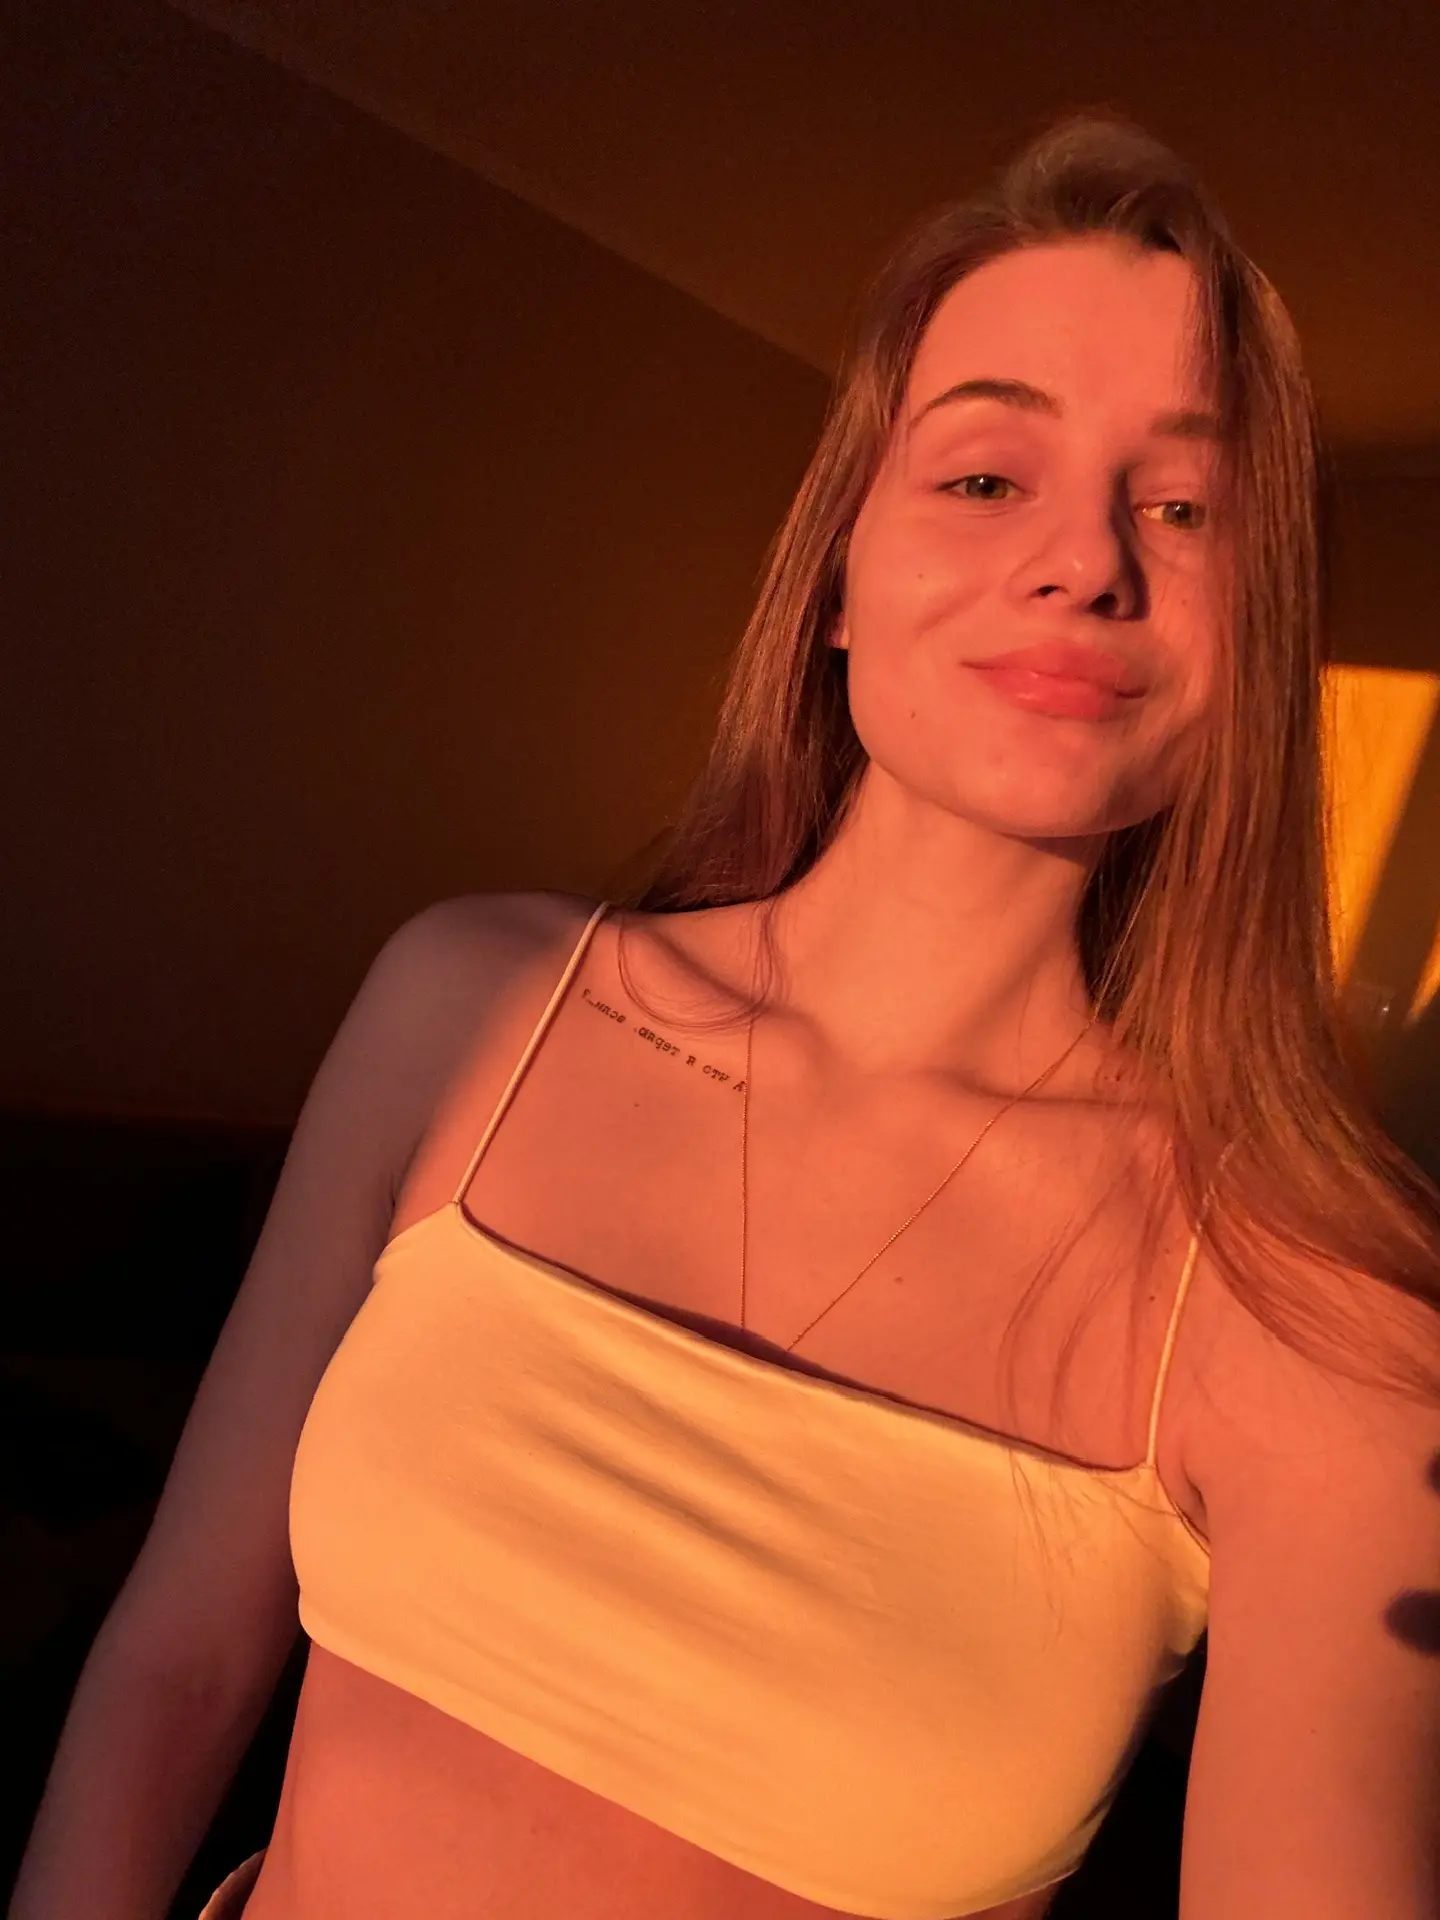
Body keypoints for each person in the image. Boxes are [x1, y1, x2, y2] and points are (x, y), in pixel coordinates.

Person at [12, 113, 1440, 1920]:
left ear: (1257, 639)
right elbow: (178, 1665)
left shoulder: (1313, 1319)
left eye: (1182, 507)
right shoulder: (472, 1002)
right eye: (985, 477)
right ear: (837, 574)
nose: (1087, 560)